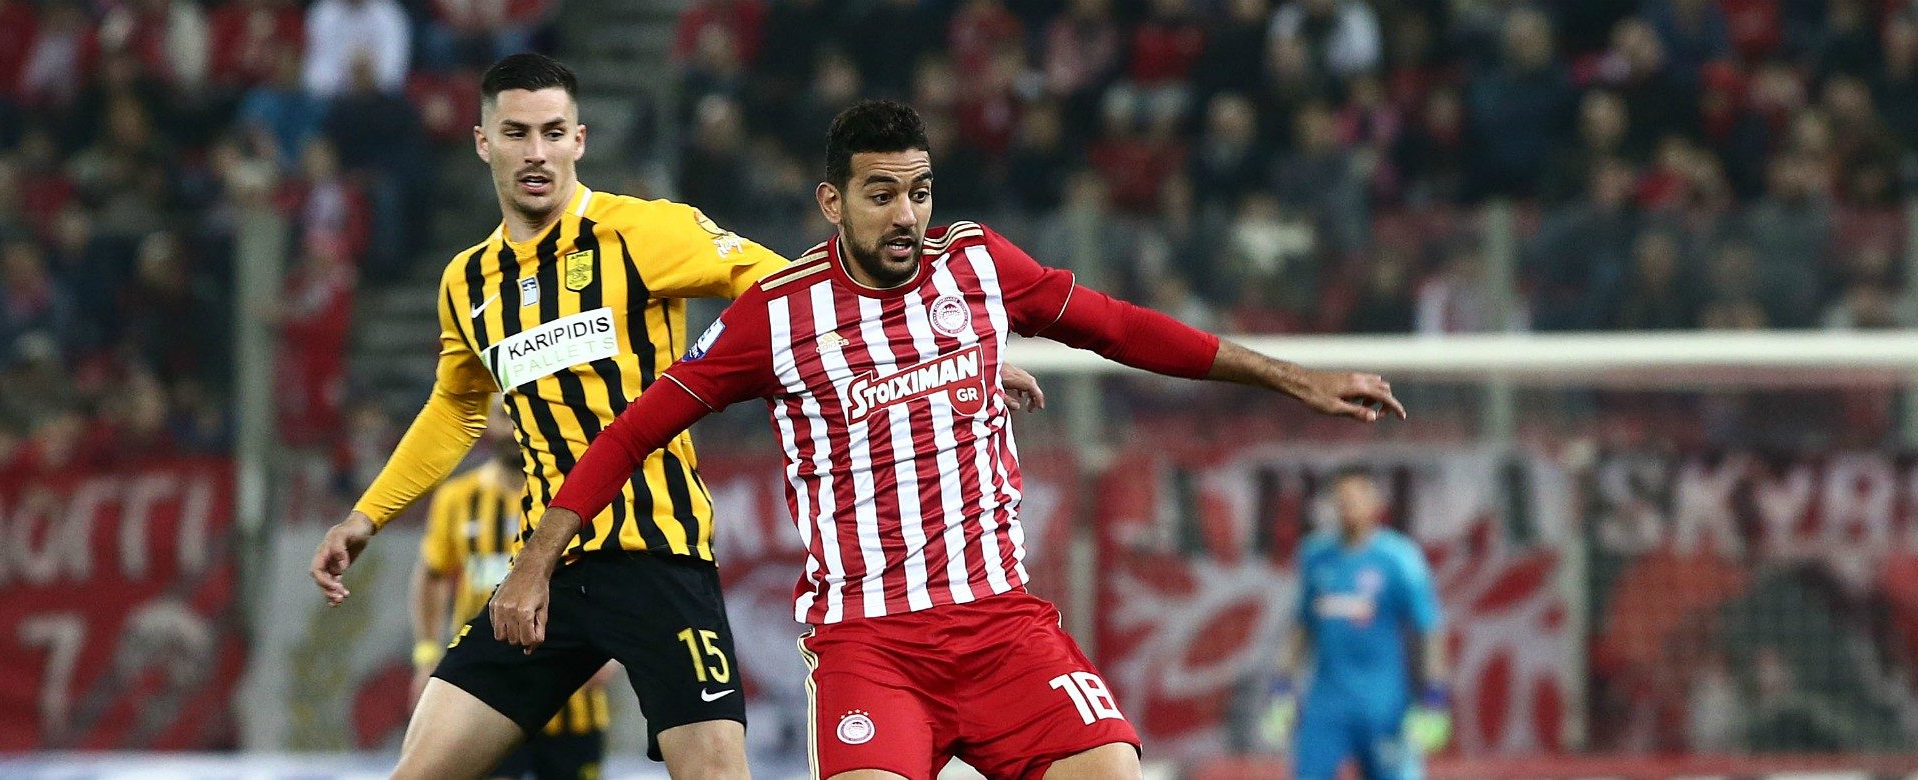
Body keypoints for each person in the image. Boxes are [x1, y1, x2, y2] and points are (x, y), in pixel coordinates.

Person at [518, 100, 1406, 779]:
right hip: (869, 641)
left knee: (1113, 770)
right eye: (880, 195)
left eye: (919, 192)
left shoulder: (978, 267)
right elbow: (632, 432)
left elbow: (1121, 327)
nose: (905, 215)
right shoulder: (776, 317)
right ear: (832, 202)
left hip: (1001, 627)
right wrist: (535, 563)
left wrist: (1294, 377)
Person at [306, 55, 1040, 780]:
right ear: (483, 142)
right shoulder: (467, 281)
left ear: (579, 140)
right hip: (547, 569)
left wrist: (930, 343)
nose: (536, 152)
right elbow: (455, 409)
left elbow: (789, 292)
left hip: (658, 557)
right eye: (517, 132)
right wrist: (366, 517)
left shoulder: (644, 232)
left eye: (553, 132)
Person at [410, 406, 610, 780]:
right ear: (486, 421)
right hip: (485, 696)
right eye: (505, 415)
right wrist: (426, 654)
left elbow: (614, 577)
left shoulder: (583, 495)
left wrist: (610, 655)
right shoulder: (458, 497)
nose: (516, 426)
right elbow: (432, 574)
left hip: (573, 702)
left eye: (525, 413)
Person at [1260, 468, 1451, 780]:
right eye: (1342, 499)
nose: (1348, 506)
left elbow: (1427, 629)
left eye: (1356, 498)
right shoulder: (1315, 556)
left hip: (1383, 704)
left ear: (1375, 504)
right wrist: (1282, 687)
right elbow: (1302, 627)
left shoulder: (1400, 558)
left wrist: (1434, 695)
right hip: (1327, 705)